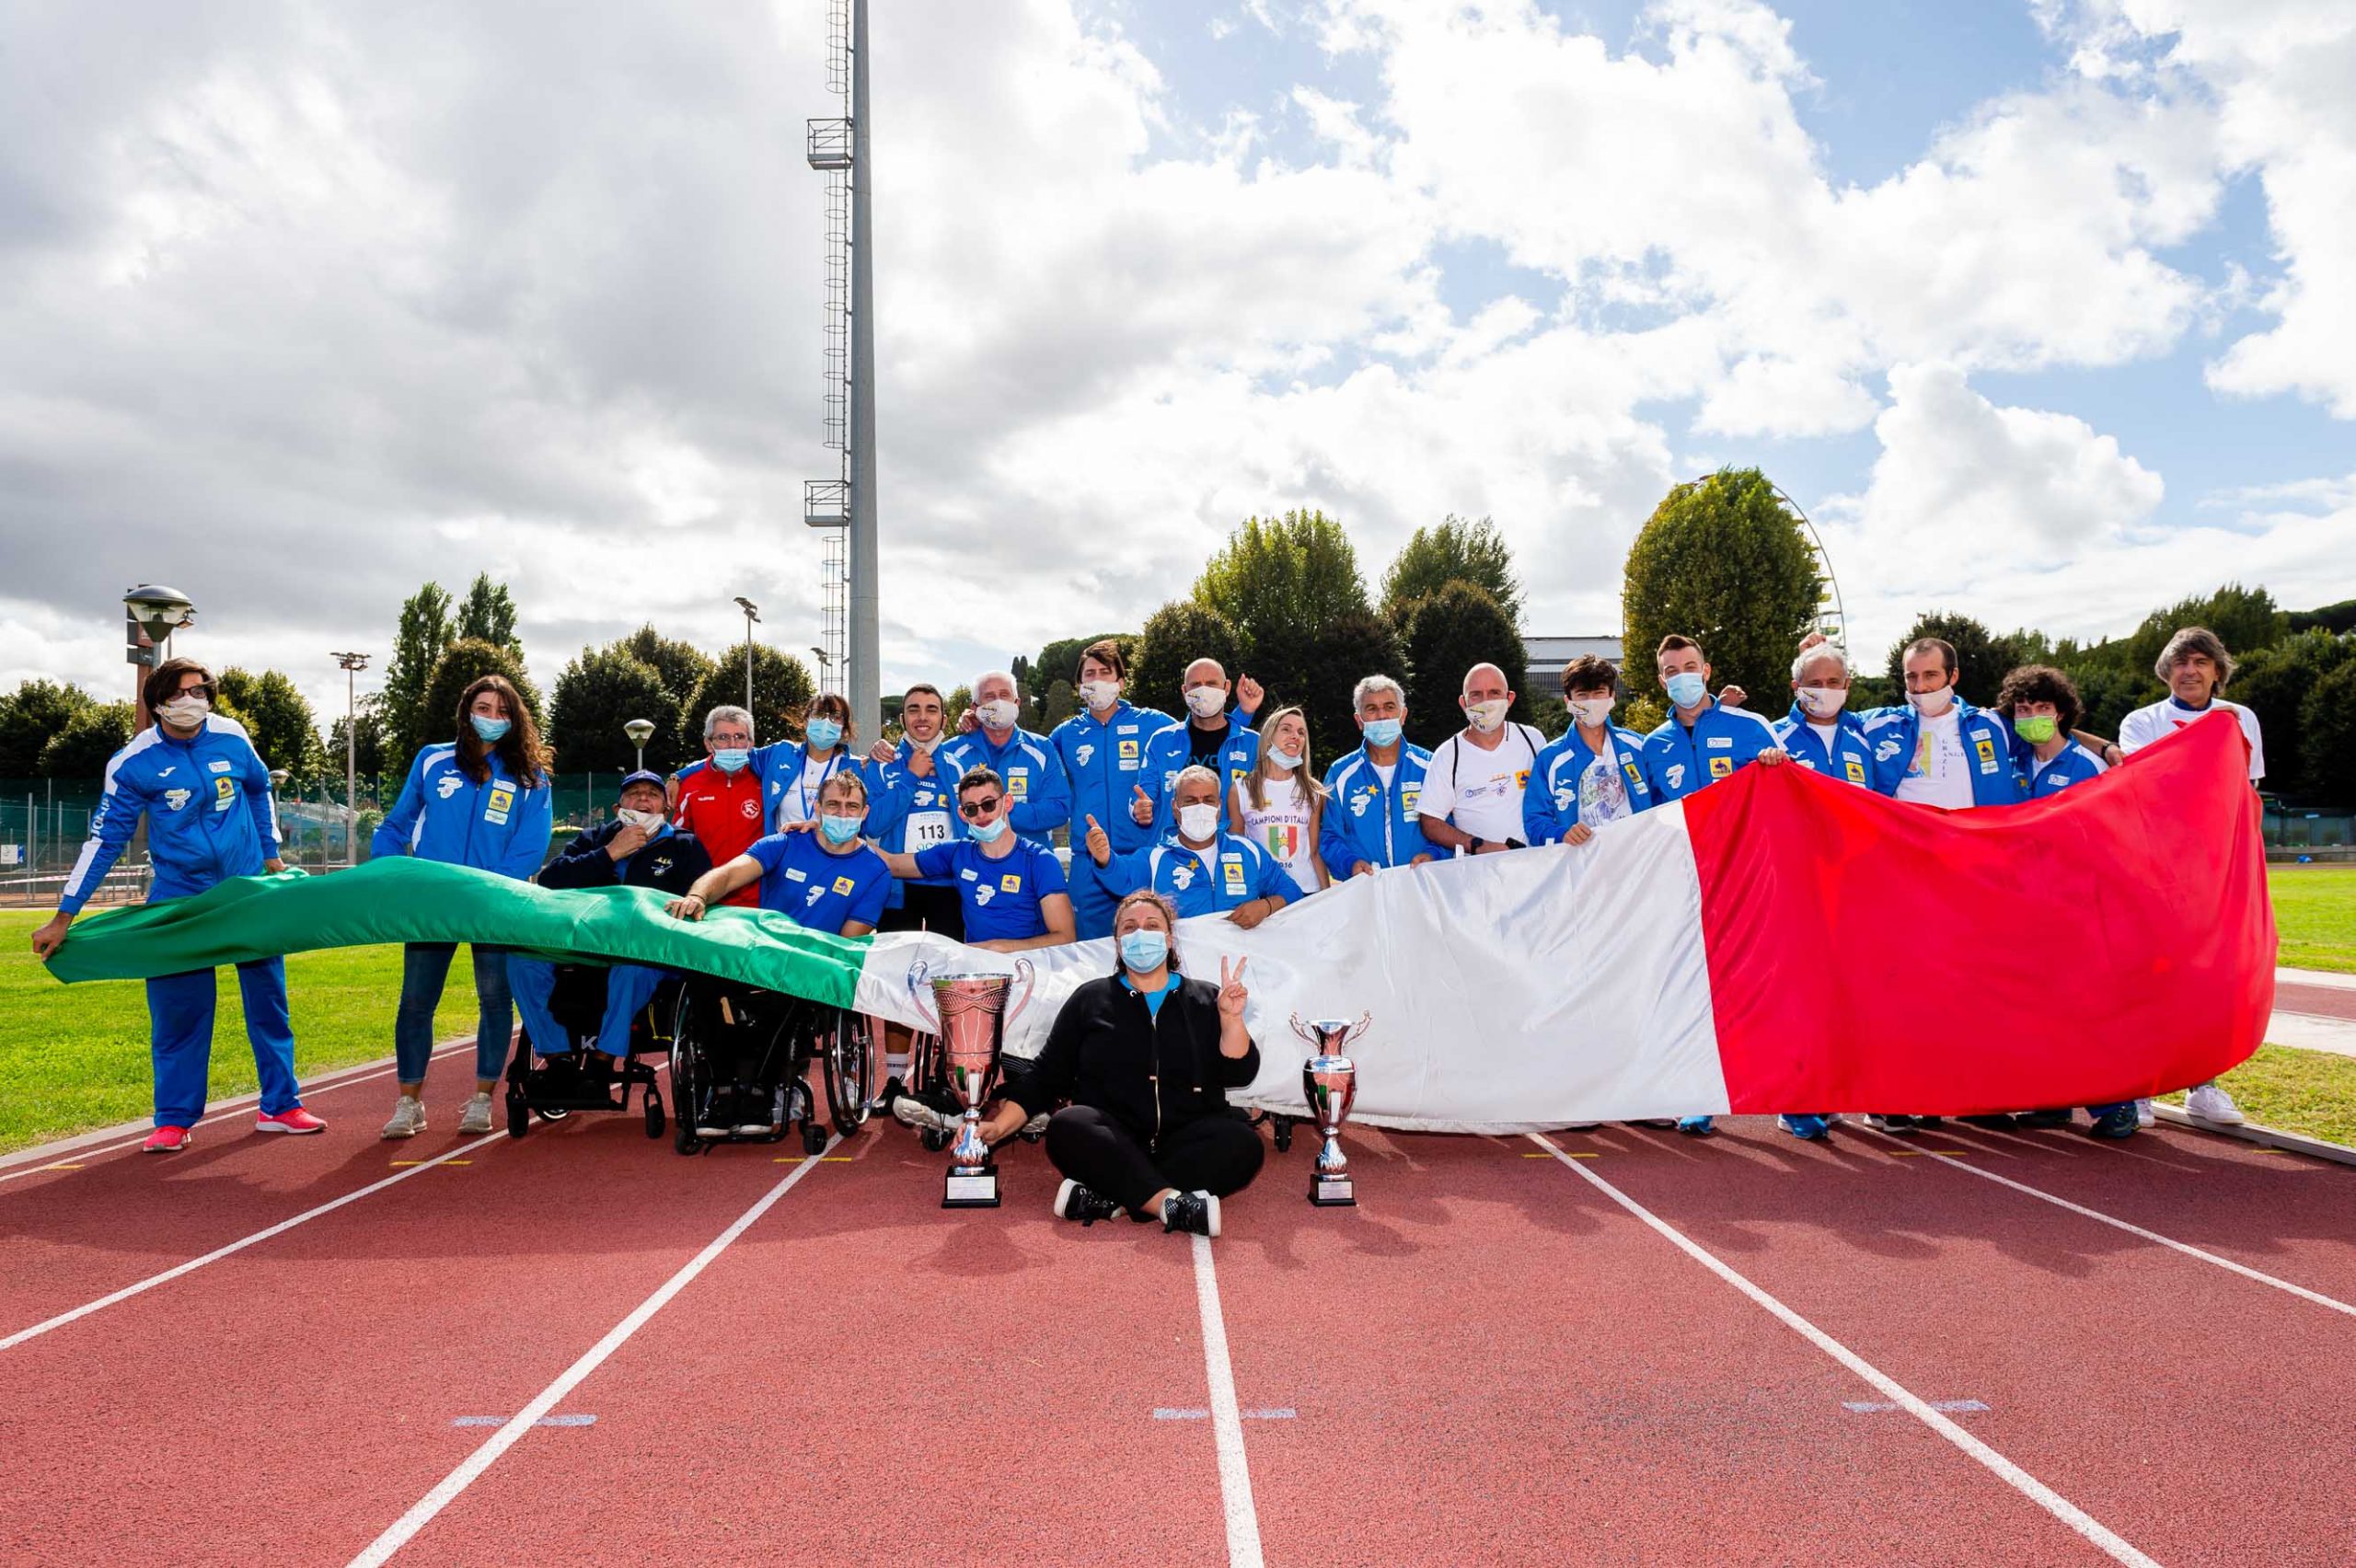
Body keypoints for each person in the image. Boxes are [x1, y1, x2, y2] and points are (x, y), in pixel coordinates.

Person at [31, 657, 323, 1152]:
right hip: (179, 898)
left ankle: (280, 1105)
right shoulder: (133, 762)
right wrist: (65, 915)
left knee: (269, 1004)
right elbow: (106, 838)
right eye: (180, 694)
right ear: (158, 703)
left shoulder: (232, 736)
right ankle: (173, 1118)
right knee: (179, 1013)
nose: (192, 702)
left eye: (200, 691)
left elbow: (259, 789)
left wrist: (271, 857)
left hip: (244, 891)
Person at [964, 889, 1262, 1238]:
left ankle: (1117, 1198)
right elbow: (1045, 1077)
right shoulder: (1091, 999)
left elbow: (1240, 1073)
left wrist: (1231, 1020)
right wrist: (998, 1128)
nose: (1141, 934)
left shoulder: (1207, 997)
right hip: (1113, 1138)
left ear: (1168, 939)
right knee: (1067, 1126)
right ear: (1118, 943)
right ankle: (1170, 1202)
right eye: (1129, 927)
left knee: (1244, 1144)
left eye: (1152, 925)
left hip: (1186, 1138)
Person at [371, 674, 554, 1139]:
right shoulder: (432, 759)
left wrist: (495, 889)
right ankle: (408, 1103)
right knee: (415, 1001)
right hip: (434, 903)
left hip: (492, 904)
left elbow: (531, 845)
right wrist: (386, 871)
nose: (492, 719)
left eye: (502, 711)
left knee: (495, 999)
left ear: (515, 719)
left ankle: (480, 1099)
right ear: (466, 711)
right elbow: (398, 823)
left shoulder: (532, 777)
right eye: (484, 708)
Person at [871, 766, 1075, 1136]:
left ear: (1007, 803)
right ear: (961, 814)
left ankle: (1024, 1097)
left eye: (988, 805)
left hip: (1033, 976)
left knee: (1023, 1062)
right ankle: (956, 1099)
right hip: (981, 978)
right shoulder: (957, 854)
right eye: (970, 809)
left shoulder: (1038, 859)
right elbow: (891, 862)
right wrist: (831, 831)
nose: (981, 815)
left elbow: (1064, 936)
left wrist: (1003, 948)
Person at [2116, 626, 2264, 1129]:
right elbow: (2144, 786)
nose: (2190, 670)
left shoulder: (2240, 720)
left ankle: (2205, 1085)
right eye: (2180, 663)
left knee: (2211, 979)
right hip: (2155, 868)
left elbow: (2244, 793)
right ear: (2166, 671)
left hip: (2214, 871)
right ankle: (2139, 1087)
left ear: (2217, 669)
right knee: (2151, 974)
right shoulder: (2142, 721)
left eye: (2200, 661)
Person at [1639, 636, 1786, 1134]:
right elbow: (1648, 819)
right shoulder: (1652, 745)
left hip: (1751, 876)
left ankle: (1797, 1097)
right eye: (1670, 669)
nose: (1681, 675)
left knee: (1769, 982)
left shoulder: (1751, 728)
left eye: (1689, 666)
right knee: (1701, 987)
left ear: (1706, 670)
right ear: (1661, 679)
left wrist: (1774, 765)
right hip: (1690, 883)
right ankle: (1699, 1094)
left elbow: (1791, 792)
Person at [1762, 641, 1891, 1141]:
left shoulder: (1866, 736)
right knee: (1801, 993)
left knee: (1851, 992)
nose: (1824, 690)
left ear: (1847, 686)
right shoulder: (1775, 737)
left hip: (1856, 886)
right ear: (1796, 688)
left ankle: (1842, 1089)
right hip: (1797, 886)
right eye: (1814, 682)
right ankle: (1798, 1100)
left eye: (1833, 681)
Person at [510, 770, 711, 1070]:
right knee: (521, 962)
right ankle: (556, 1055)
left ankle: (603, 1057)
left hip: (646, 949)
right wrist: (610, 853)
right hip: (586, 944)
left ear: (666, 809)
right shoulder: (594, 839)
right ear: (618, 808)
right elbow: (550, 879)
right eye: (634, 793)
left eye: (653, 794)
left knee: (633, 969)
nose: (643, 799)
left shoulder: (685, 846)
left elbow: (701, 894)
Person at [862, 683, 963, 1108]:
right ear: (901, 718)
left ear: (945, 717)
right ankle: (896, 1080)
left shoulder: (960, 759)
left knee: (950, 984)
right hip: (898, 890)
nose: (923, 717)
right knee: (897, 983)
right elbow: (874, 820)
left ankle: (948, 1074)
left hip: (949, 890)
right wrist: (910, 776)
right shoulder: (881, 764)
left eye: (932, 710)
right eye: (914, 710)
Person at [1051, 639, 1178, 939]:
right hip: (1088, 861)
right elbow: (1027, 754)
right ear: (1079, 686)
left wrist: (1242, 716)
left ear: (1120, 682)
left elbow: (1201, 735)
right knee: (1087, 951)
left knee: (1148, 947)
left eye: (1104, 672)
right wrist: (976, 724)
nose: (1096, 680)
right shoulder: (1065, 734)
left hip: (1142, 857)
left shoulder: (1155, 724)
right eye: (1089, 674)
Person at [667, 771, 892, 937]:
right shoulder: (784, 844)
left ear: (864, 813)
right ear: (817, 808)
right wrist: (697, 896)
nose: (843, 814)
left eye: (852, 806)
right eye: (833, 804)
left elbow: (847, 945)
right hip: (767, 962)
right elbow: (728, 875)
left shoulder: (876, 872)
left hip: (817, 975)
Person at [1081, 765, 1295, 926]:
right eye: (1191, 801)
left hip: (1241, 966)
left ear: (1219, 806)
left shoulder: (1248, 851)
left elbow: (1290, 891)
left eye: (1208, 800)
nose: (1200, 807)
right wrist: (1104, 858)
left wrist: (1266, 906)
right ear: (1175, 808)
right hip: (1187, 973)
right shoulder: (1156, 858)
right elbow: (1121, 878)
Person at [1523, 655, 1656, 847]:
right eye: (1582, 695)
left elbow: (1665, 803)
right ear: (1568, 701)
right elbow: (1535, 822)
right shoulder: (1550, 758)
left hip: (1637, 862)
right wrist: (1562, 834)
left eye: (1599, 693)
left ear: (1612, 697)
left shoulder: (1638, 746)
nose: (1591, 701)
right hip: (1582, 869)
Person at [1418, 663, 1547, 856]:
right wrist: (1477, 845)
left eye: (1494, 693)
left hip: (1535, 868)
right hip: (1477, 875)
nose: (1485, 702)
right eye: (1476, 695)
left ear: (1509, 698)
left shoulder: (1533, 740)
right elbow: (1430, 822)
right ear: (1464, 703)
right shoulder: (1448, 755)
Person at [936, 672, 1071, 849]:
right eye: (989, 697)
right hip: (969, 866)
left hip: (1030, 865)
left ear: (1017, 703)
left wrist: (1000, 811)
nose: (998, 703)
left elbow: (1059, 809)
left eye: (1004, 695)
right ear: (975, 707)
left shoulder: (1042, 748)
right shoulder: (951, 752)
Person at [1320, 674, 1437, 876]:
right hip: (1365, 889)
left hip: (1422, 885)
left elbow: (1450, 824)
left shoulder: (1429, 767)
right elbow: (1329, 835)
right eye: (1371, 709)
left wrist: (1434, 855)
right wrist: (1350, 863)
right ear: (1359, 720)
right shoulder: (1340, 774)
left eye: (1390, 707)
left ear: (1403, 715)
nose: (1382, 716)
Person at [1133, 658, 1263, 839]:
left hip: (1229, 853)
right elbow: (1143, 795)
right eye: (1195, 685)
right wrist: (1138, 808)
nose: (1204, 690)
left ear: (1226, 688)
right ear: (1185, 691)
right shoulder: (1161, 741)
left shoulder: (1254, 744)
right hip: (1174, 852)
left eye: (1211, 683)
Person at [670, 706, 768, 907]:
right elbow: (678, 841)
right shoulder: (690, 786)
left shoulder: (765, 782)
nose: (733, 745)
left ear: (751, 744)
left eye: (740, 737)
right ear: (708, 743)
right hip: (705, 898)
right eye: (723, 737)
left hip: (758, 899)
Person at [1229, 705, 1329, 899]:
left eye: (1301, 732)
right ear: (1268, 737)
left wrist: (1327, 896)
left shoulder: (1313, 791)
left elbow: (1315, 852)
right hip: (1265, 893)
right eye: (1286, 729)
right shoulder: (1241, 789)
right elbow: (1238, 851)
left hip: (1307, 891)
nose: (1295, 736)